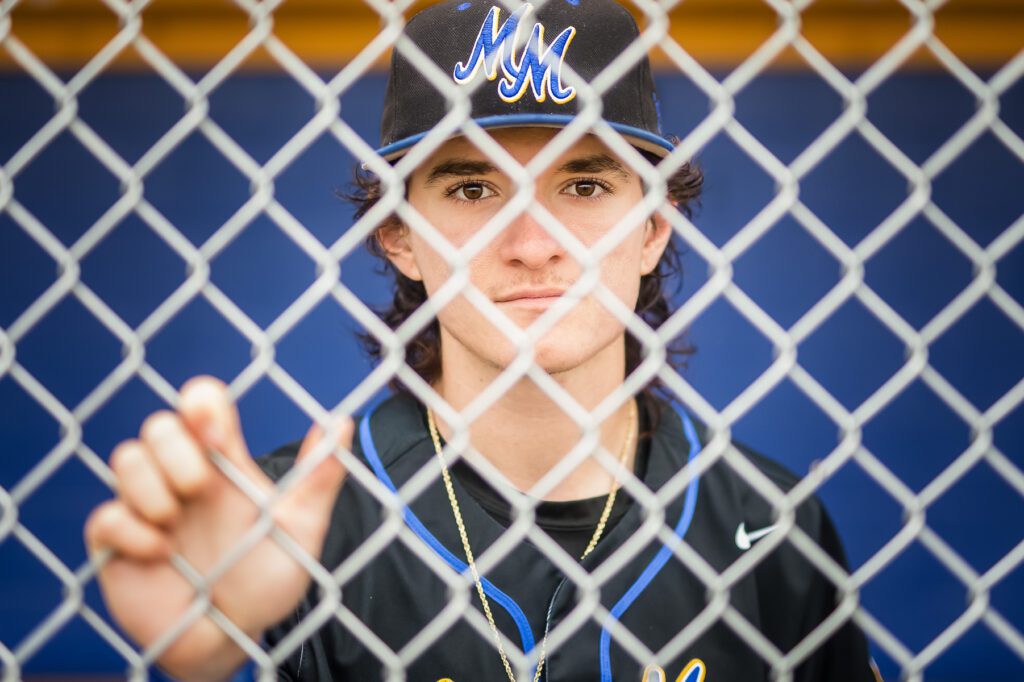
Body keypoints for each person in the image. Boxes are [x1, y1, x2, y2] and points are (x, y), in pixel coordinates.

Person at [84, 1, 881, 680]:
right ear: (398, 235)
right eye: (472, 187)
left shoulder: (771, 526)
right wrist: (207, 661)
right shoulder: (281, 523)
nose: (532, 241)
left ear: (651, 230)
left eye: (584, 183)